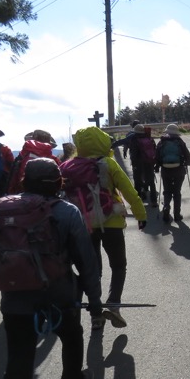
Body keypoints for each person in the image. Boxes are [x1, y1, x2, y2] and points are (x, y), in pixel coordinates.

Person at [0, 158, 103, 379]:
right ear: (59, 183)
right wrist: (94, 300)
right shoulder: (67, 211)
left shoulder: (4, 208)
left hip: (14, 297)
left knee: (17, 365)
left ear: (24, 181)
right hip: (57, 294)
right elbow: (86, 260)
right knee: (71, 333)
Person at [70, 126, 147, 329]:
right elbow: (128, 190)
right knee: (118, 265)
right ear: (103, 142)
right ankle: (113, 305)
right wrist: (141, 215)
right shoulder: (108, 163)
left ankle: (96, 315)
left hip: (84, 224)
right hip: (111, 221)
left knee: (93, 269)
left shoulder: (69, 165)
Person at [155, 123, 190, 222]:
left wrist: (158, 166)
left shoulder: (162, 142)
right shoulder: (180, 142)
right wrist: (186, 163)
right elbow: (188, 157)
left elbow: (157, 157)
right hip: (178, 170)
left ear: (167, 131)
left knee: (167, 191)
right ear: (176, 132)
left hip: (165, 170)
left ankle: (166, 207)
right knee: (177, 192)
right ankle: (177, 215)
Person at [6, 129, 60, 194]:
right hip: (46, 197)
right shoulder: (54, 159)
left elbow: (13, 175)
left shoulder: (22, 155)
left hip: (21, 195)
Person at [128, 124, 159, 205]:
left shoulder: (134, 139)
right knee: (151, 182)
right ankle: (154, 201)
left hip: (138, 164)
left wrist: (133, 164)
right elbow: (154, 150)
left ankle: (138, 201)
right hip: (149, 162)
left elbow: (133, 153)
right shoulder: (149, 138)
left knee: (137, 182)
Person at [111, 120, 142, 194]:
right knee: (146, 175)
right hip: (147, 159)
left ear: (132, 126)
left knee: (137, 176)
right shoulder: (147, 134)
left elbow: (124, 142)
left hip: (136, 159)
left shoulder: (131, 134)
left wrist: (112, 146)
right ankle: (152, 197)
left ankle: (139, 194)